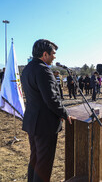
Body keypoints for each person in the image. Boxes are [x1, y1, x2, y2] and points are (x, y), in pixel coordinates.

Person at [21, 39, 76, 182]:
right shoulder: (43, 70)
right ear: (45, 54)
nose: (55, 57)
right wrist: (65, 113)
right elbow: (51, 99)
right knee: (44, 164)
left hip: (33, 122)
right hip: (45, 125)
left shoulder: (28, 68)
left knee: (35, 158)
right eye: (53, 53)